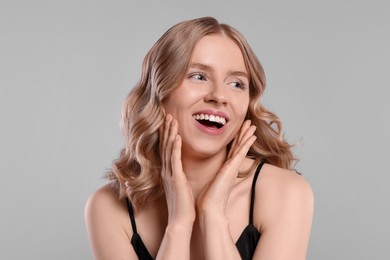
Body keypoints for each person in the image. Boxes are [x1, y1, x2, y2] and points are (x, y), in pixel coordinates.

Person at [85, 16, 314, 260]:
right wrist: (179, 224)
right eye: (199, 76)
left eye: (236, 83)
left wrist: (213, 216)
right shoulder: (109, 207)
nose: (219, 96)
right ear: (159, 92)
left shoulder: (285, 193)